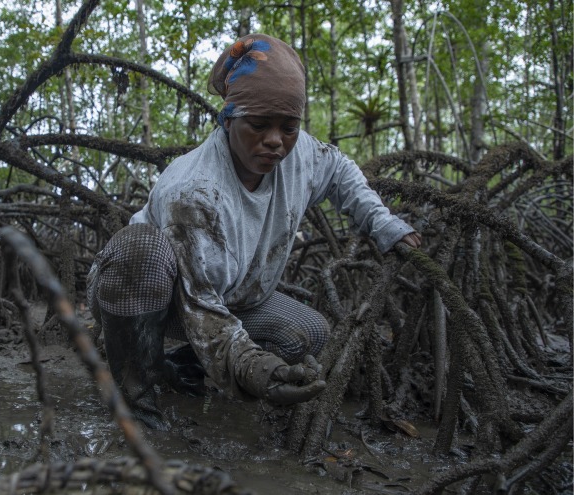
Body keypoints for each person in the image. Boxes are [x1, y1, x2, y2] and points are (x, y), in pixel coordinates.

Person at [86, 34, 422, 430]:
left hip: (233, 297)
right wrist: (254, 367)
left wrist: (383, 224)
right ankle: (136, 392)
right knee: (139, 249)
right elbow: (201, 304)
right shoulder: (195, 192)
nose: (276, 141)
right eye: (259, 125)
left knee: (308, 334)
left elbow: (340, 169)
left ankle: (176, 368)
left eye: (289, 127)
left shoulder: (301, 154)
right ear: (228, 119)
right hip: (151, 295)